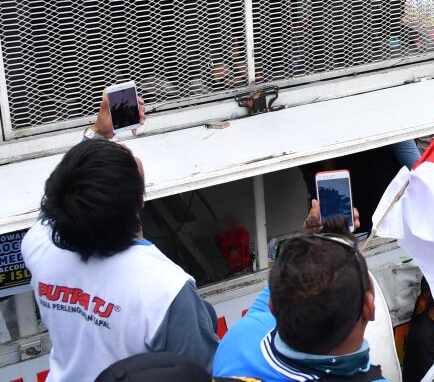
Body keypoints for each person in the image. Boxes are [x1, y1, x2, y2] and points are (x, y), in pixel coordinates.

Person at [23, 127, 218, 379]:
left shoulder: (40, 245)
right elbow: (200, 373)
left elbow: (59, 199)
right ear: (139, 201)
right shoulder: (166, 291)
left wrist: (97, 133)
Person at [215, 210, 389, 382]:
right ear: (369, 307)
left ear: (272, 306)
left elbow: (287, 283)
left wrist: (313, 240)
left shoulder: (240, 339)